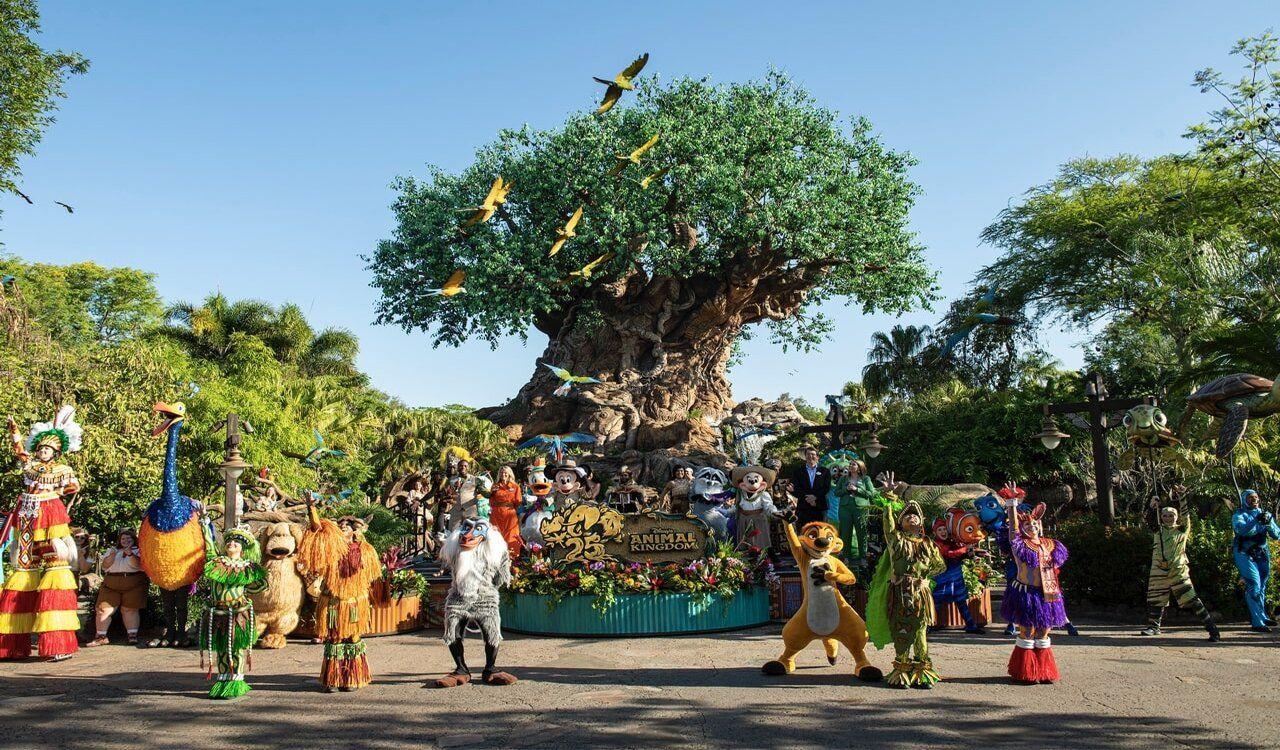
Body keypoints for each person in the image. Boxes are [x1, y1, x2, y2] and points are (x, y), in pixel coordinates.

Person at [0, 408, 83, 661]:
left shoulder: (62, 468)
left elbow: (73, 486)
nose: (42, 452)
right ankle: (12, 646)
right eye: (41, 448)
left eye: (47, 449)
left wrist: (55, 491)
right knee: (22, 572)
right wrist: (14, 430)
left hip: (50, 518)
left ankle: (58, 645)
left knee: (54, 570)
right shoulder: (31, 465)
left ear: (56, 452)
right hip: (26, 519)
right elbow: (19, 451)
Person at [866, 472, 945, 689]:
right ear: (901, 522)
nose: (912, 518)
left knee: (920, 631)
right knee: (901, 629)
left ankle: (922, 672)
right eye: (907, 516)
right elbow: (887, 526)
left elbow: (939, 566)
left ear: (921, 522)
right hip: (900, 591)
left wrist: (927, 580)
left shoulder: (927, 543)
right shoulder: (896, 541)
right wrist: (890, 498)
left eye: (915, 516)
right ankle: (901, 671)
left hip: (920, 593)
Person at [298, 500, 381, 692]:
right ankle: (333, 679)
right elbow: (317, 528)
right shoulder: (330, 549)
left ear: (354, 531)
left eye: (346, 526)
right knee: (334, 638)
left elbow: (372, 577)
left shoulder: (365, 550)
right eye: (340, 526)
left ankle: (352, 677)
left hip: (354, 602)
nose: (343, 528)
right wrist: (311, 508)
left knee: (352, 638)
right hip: (333, 603)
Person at [1001, 483, 1069, 685]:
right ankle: (1026, 671)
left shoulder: (1052, 545)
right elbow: (1013, 530)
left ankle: (1043, 670)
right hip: (1027, 594)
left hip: (1047, 594)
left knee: (1043, 633)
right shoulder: (1020, 544)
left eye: (1035, 524)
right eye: (1028, 525)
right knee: (1027, 632)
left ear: (1040, 525)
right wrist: (1012, 504)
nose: (1032, 527)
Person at [198, 523, 266, 699]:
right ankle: (222, 682)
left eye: (236, 542)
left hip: (238, 614)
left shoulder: (249, 567)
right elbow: (209, 546)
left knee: (236, 649)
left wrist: (244, 595)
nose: (232, 544)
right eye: (229, 541)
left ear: (243, 547)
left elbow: (261, 585)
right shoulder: (216, 562)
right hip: (218, 613)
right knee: (221, 649)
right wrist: (205, 525)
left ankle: (236, 682)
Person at [1140, 496, 1219, 640]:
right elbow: (1149, 520)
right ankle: (1153, 626)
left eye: (1171, 516)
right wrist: (1153, 506)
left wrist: (1183, 498)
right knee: (1156, 598)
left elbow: (1185, 516)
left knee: (1191, 598)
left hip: (1178, 569)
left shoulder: (1182, 530)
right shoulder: (1157, 530)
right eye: (1164, 515)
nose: (1168, 518)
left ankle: (1212, 628)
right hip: (1159, 569)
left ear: (1176, 517)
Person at [87, 528, 148, 646]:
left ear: (134, 539)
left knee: (129, 609)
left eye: (129, 538)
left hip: (134, 582)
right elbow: (105, 566)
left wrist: (130, 553)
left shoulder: (139, 550)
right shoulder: (112, 550)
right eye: (123, 538)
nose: (126, 540)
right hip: (111, 582)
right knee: (103, 609)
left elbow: (139, 565)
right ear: (119, 540)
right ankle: (101, 637)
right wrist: (113, 555)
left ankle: (132, 636)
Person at [1232, 489, 1279, 632]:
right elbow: (1241, 530)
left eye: (1256, 497)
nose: (1254, 500)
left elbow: (1276, 535)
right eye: (1250, 498)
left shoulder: (1266, 514)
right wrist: (1256, 521)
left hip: (1262, 553)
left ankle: (1263, 616)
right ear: (1244, 500)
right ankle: (1257, 622)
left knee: (1262, 585)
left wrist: (1268, 523)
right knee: (1254, 584)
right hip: (1244, 553)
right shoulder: (1239, 515)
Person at [487, 466, 524, 559]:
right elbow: (490, 502)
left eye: (505, 473)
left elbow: (518, 501)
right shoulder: (495, 486)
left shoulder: (515, 486)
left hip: (510, 515)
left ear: (509, 474)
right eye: (501, 473)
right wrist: (492, 493)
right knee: (496, 536)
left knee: (512, 535)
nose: (503, 474)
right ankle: (495, 559)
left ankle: (513, 560)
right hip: (496, 514)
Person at [789, 446, 830, 528]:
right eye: (808, 454)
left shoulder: (825, 471)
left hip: (819, 507)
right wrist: (808, 498)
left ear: (817, 457)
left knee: (820, 532)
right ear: (805, 457)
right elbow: (795, 488)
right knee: (804, 533)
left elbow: (826, 488)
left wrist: (815, 497)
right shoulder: (798, 471)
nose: (810, 456)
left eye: (813, 454)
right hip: (803, 508)